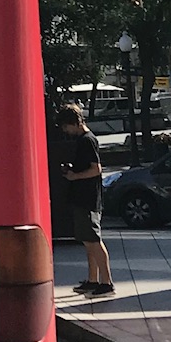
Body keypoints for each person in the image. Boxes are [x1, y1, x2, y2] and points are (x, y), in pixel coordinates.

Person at [55, 101, 114, 295]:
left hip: (87, 198)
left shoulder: (87, 140)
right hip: (84, 197)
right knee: (88, 241)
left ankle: (106, 282)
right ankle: (93, 279)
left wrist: (75, 176)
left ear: (74, 122)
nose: (65, 131)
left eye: (66, 126)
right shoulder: (85, 140)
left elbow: (96, 169)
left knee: (94, 240)